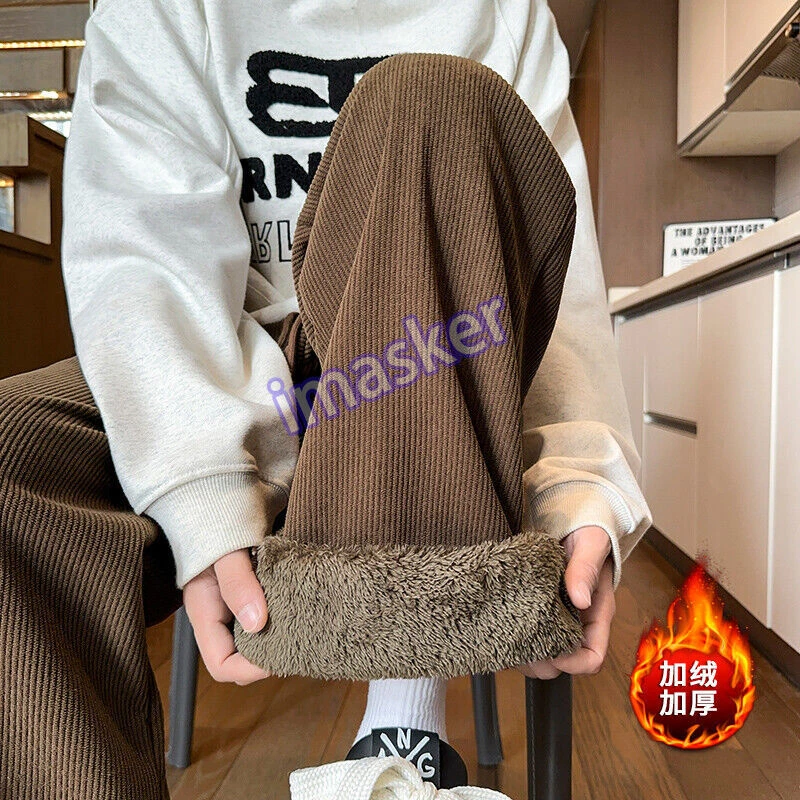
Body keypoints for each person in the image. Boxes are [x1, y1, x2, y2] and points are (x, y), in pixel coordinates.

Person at [0, 0, 653, 797]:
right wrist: (202, 480)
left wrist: (578, 480)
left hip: (437, 359)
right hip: (222, 371)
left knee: (422, 99)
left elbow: (553, 273)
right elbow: (143, 256)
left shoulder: (503, 11)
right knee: (9, 458)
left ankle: (404, 731)